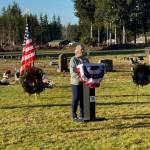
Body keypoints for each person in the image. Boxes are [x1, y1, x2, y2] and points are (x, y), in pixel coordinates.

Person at [70, 44, 89, 121]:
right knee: (76, 98)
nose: (83, 51)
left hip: (85, 82)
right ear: (77, 50)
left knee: (83, 98)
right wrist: (80, 78)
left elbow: (89, 68)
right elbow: (73, 72)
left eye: (83, 49)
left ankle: (82, 114)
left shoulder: (86, 59)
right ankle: (74, 114)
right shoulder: (73, 60)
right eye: (81, 49)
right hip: (76, 83)